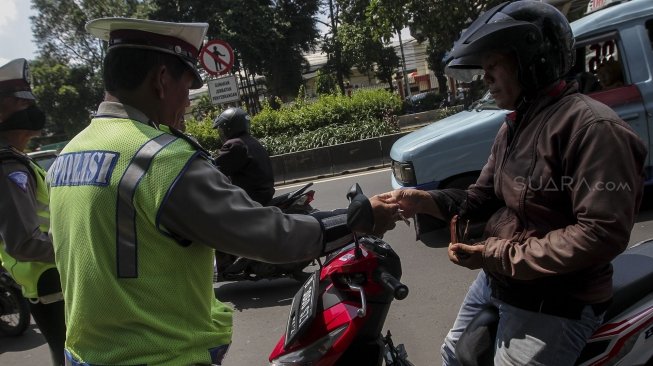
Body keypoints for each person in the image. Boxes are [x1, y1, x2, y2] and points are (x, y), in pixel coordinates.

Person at [46, 18, 398, 366]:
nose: (187, 100)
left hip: (84, 355)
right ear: (161, 79)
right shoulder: (160, 159)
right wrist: (355, 221)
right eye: (187, 86)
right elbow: (270, 237)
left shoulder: (67, 156)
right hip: (159, 355)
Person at [379, 2, 647, 365]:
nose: (486, 79)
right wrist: (421, 200)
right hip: (498, 281)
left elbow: (600, 234)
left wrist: (493, 254)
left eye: (493, 67)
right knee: (452, 357)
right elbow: (482, 197)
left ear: (531, 62)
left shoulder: (593, 129)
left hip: (558, 301)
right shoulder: (514, 125)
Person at [0, 58, 66, 365]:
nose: (29, 110)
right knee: (68, 353)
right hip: (48, 278)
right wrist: (75, 250)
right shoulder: (9, 167)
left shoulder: (16, 159)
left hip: (47, 277)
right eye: (18, 103)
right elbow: (23, 242)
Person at [213, 107, 274, 205]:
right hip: (264, 197)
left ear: (229, 127)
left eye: (222, 129)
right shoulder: (252, 142)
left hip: (248, 201)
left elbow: (214, 170)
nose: (221, 133)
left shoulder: (234, 145)